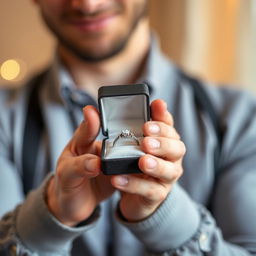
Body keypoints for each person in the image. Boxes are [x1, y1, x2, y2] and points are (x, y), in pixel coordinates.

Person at [0, 0, 256, 255]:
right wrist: (52, 216)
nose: (88, 5)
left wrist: (167, 219)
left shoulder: (239, 119)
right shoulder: (4, 120)